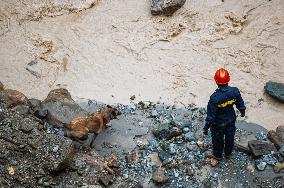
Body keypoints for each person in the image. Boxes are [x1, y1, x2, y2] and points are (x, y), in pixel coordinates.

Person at [203, 68, 246, 160]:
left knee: (218, 139)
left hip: (218, 123)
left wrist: (206, 128)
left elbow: (210, 117)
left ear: (216, 81)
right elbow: (240, 104)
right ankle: (228, 153)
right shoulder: (235, 91)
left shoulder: (214, 98)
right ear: (228, 80)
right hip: (231, 119)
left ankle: (217, 155)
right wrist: (242, 112)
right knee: (230, 137)